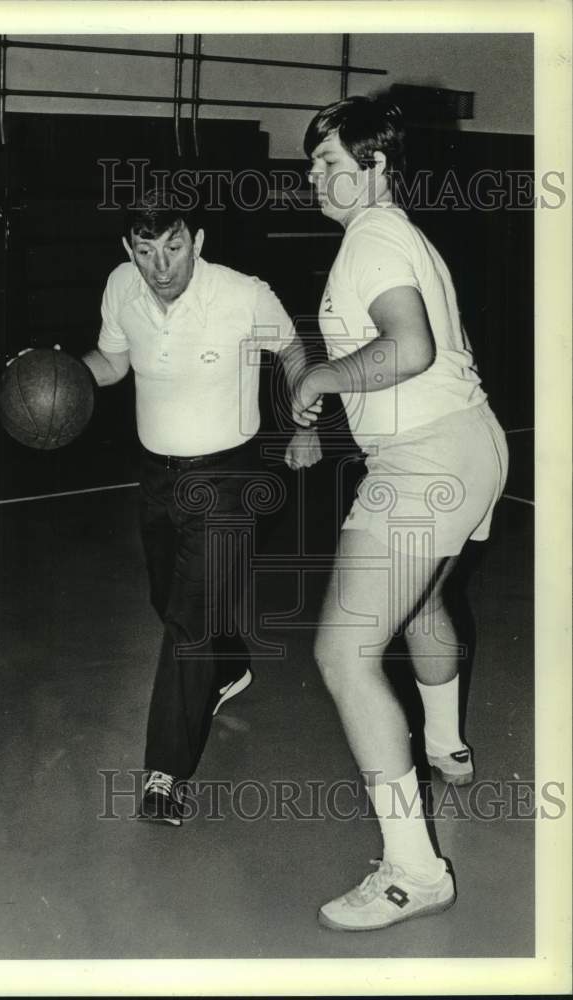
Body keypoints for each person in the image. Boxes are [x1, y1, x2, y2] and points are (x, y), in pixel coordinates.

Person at [291, 97, 508, 930]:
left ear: (376, 164)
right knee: (418, 605)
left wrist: (318, 379)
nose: (315, 174)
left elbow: (407, 347)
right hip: (467, 445)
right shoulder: (404, 234)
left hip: (423, 458)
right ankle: (446, 747)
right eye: (311, 163)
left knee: (344, 654)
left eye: (330, 161)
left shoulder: (369, 237)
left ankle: (413, 872)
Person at [82, 189, 318, 826]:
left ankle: (166, 774)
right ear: (127, 249)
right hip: (157, 475)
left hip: (228, 476)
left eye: (175, 246)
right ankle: (230, 663)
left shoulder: (242, 294)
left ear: (198, 241)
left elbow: (293, 350)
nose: (161, 265)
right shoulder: (120, 288)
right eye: (145, 249)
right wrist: (61, 374)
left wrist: (304, 419)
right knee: (171, 600)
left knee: (186, 622)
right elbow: (111, 362)